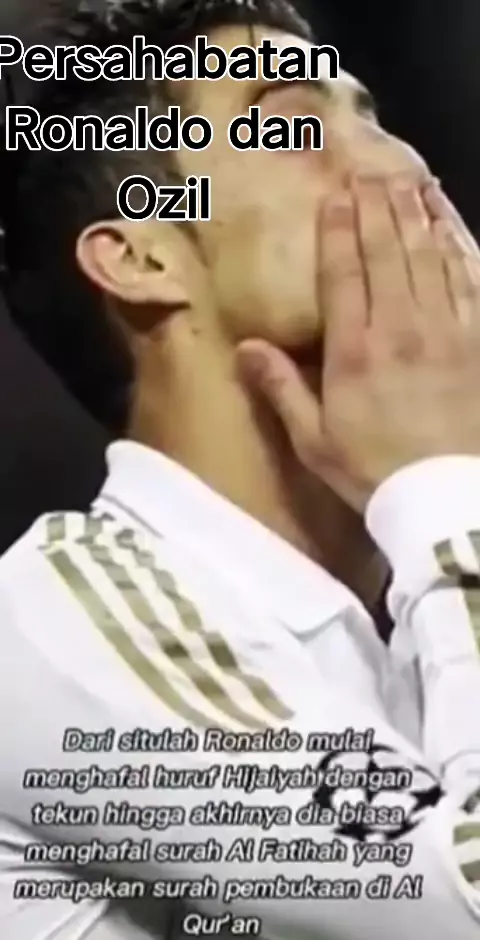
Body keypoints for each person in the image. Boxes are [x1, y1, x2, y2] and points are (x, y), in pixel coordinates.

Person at [2, 0, 480, 937]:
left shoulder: (424, 605)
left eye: (374, 117)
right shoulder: (52, 624)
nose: (404, 168)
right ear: (139, 255)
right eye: (294, 124)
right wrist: (444, 488)